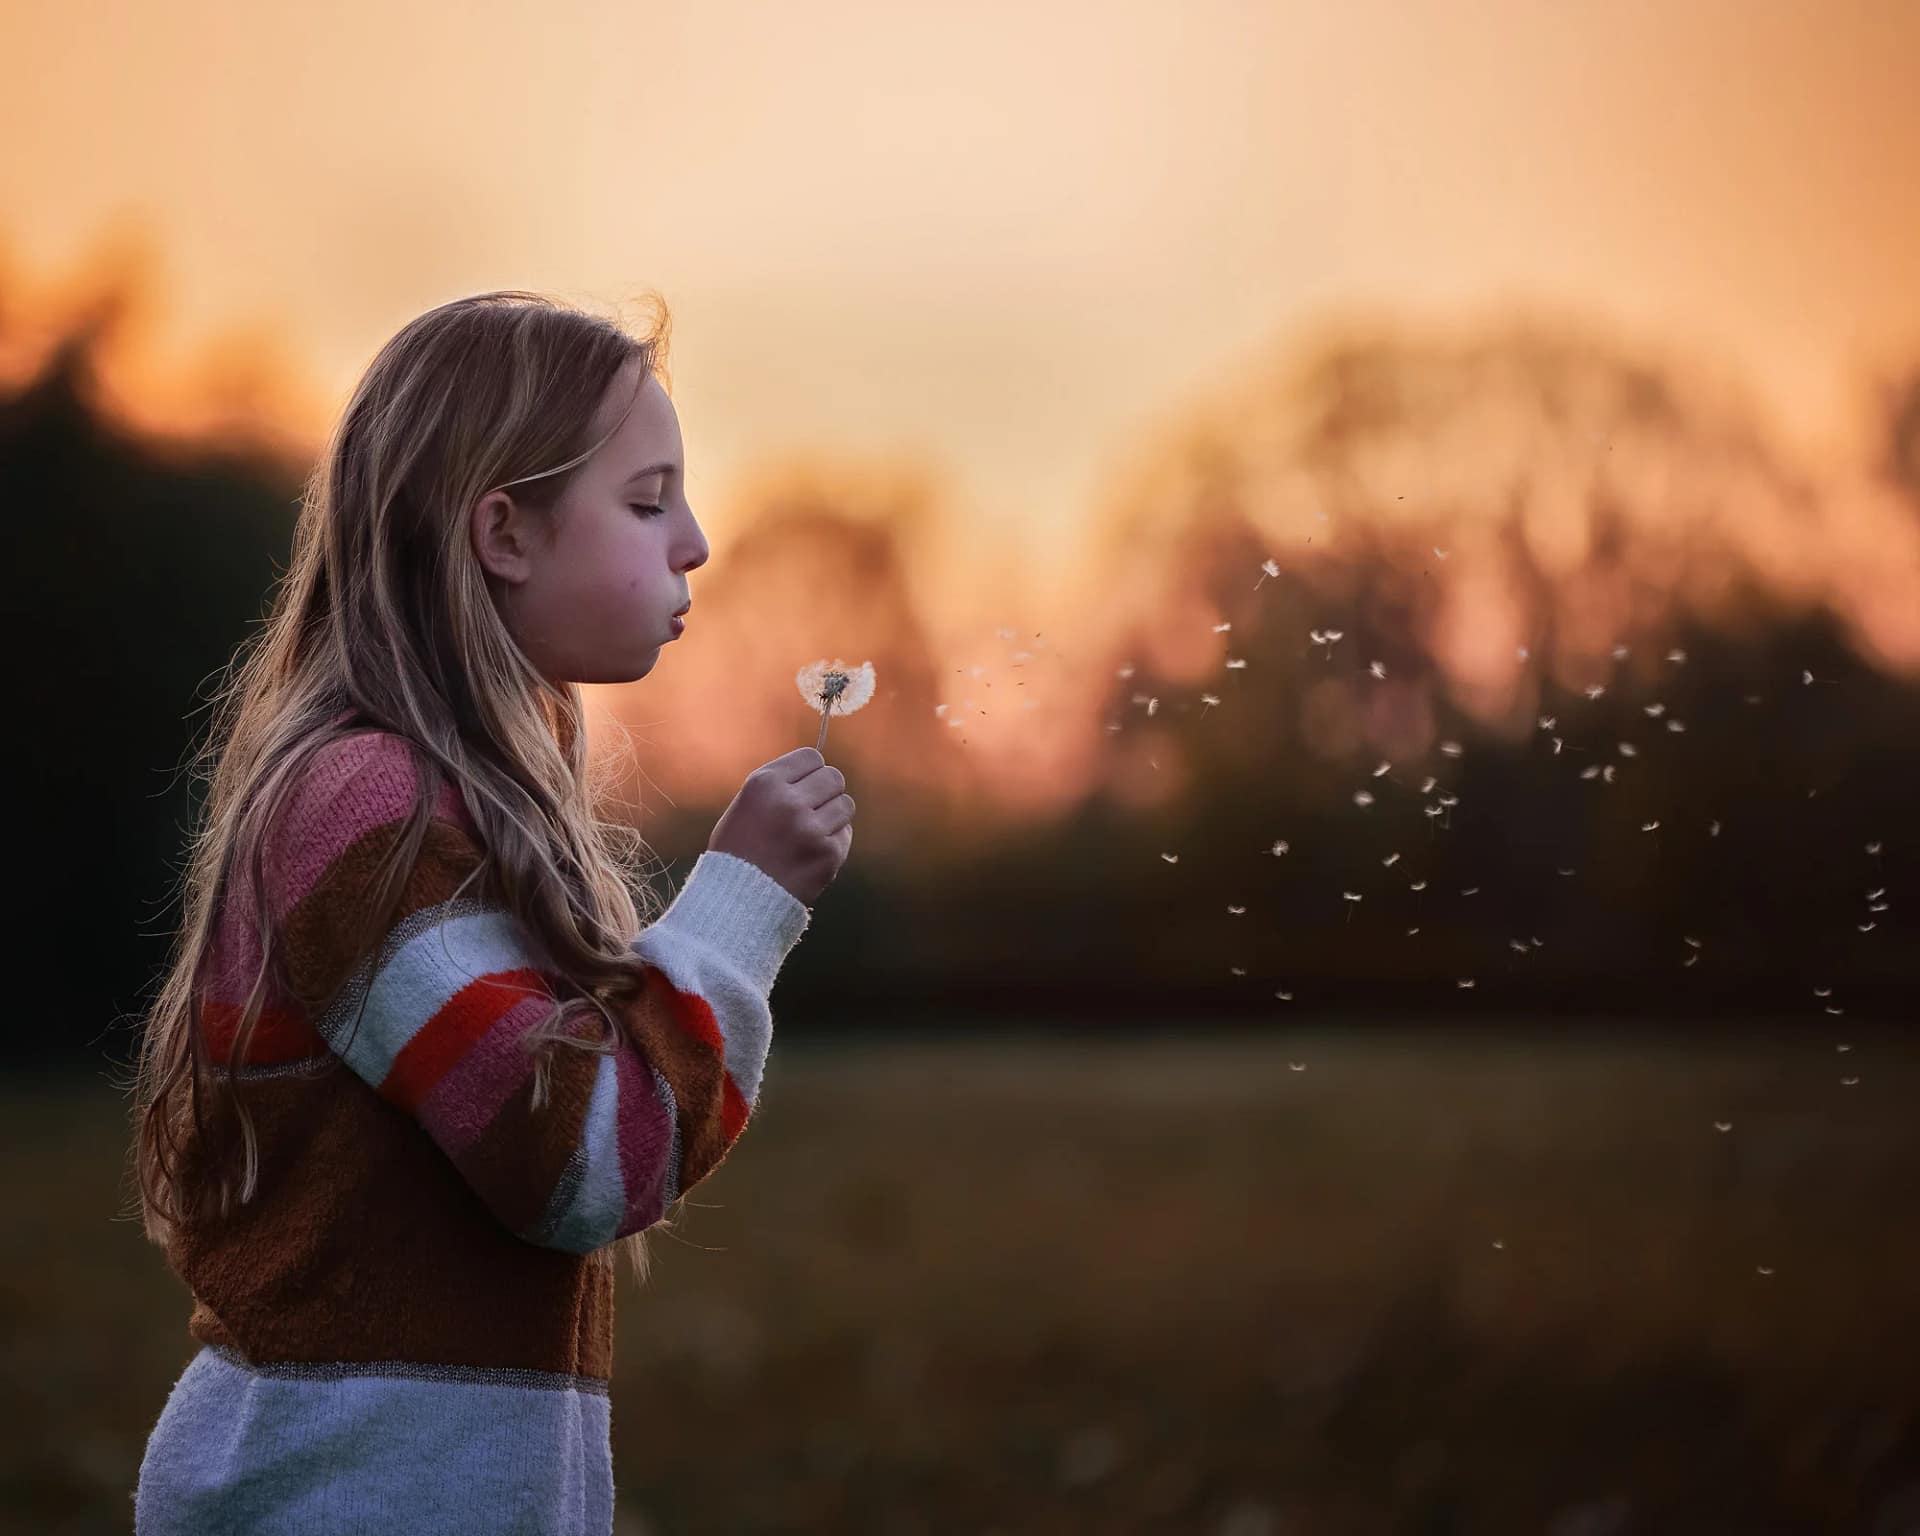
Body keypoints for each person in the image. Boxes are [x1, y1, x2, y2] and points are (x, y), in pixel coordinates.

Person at [125, 290, 855, 1534]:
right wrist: (738, 908)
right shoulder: (370, 812)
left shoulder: (431, 803)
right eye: (645, 499)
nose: (696, 542)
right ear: (504, 534)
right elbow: (584, 1159)